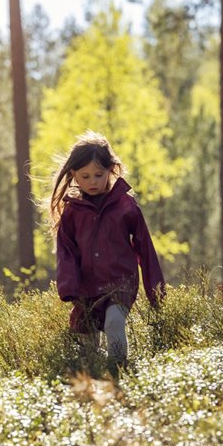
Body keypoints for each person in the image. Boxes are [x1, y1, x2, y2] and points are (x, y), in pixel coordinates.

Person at [48, 131, 164, 368]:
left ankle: (118, 369)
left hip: (120, 283)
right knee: (86, 342)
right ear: (74, 175)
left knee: (114, 323)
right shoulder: (72, 212)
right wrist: (69, 287)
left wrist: (156, 290)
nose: (92, 181)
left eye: (98, 175)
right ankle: (94, 377)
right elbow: (66, 252)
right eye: (85, 176)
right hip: (86, 288)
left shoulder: (126, 206)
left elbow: (145, 247)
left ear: (111, 170)